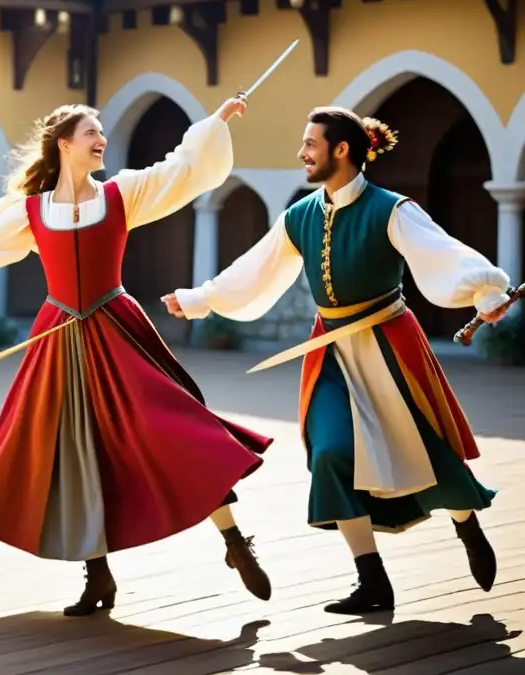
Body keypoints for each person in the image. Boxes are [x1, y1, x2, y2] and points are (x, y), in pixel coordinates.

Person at [0, 96, 274, 615]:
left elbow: (178, 172)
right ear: (65, 143)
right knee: (28, 444)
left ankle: (233, 543)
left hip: (117, 329)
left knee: (173, 430)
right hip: (58, 335)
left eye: (102, 131)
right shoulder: (28, 211)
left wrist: (213, 124)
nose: (101, 139)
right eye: (92, 132)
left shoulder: (122, 193)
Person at [165, 107, 509, 615]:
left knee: (427, 450)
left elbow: (442, 253)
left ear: (341, 150)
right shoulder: (300, 215)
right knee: (329, 453)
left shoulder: (390, 209)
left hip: (389, 344)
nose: (302, 154)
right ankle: (372, 581)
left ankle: (466, 524)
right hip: (328, 350)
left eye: (310, 144)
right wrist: (201, 298)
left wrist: (485, 291)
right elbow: (256, 269)